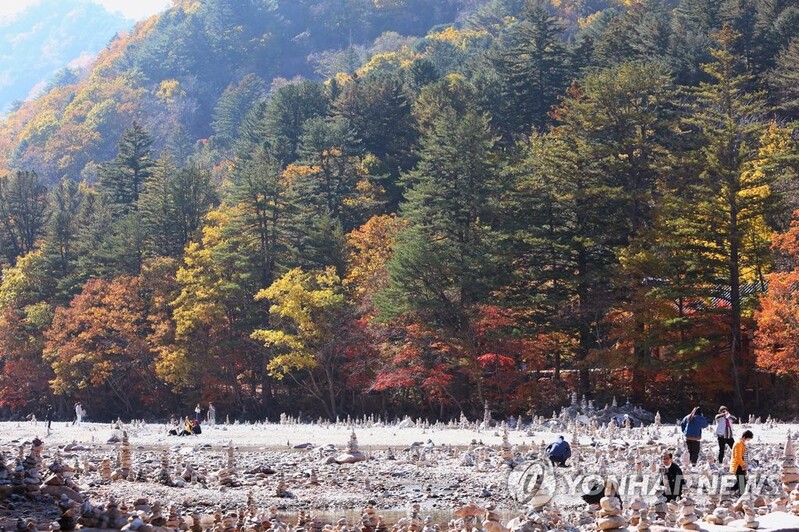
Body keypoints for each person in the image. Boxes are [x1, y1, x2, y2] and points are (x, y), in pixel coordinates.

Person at [731, 430, 753, 497]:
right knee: (742, 482)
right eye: (748, 438)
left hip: (741, 465)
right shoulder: (739, 444)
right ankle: (741, 496)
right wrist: (743, 465)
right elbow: (738, 456)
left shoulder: (741, 443)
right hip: (739, 466)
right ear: (744, 437)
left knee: (740, 481)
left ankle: (730, 491)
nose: (748, 440)